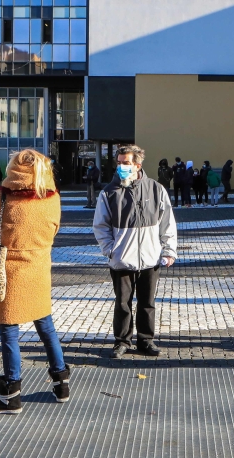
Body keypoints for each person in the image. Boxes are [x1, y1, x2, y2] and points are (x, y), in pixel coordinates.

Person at [0, 149, 70, 414]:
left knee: (9, 333)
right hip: (39, 267)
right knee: (46, 326)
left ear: (13, 168)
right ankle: (61, 383)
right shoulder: (52, 197)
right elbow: (54, 229)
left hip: (10, 270)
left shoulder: (4, 196)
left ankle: (11, 397)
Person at [93, 144, 177, 359]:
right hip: (122, 259)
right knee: (123, 304)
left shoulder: (156, 189)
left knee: (147, 303)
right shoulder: (109, 192)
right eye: (119, 163)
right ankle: (122, 341)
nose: (121, 166)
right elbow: (100, 225)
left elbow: (167, 223)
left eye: (126, 163)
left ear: (137, 165)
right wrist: (111, 250)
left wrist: (168, 251)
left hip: (150, 258)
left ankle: (146, 340)